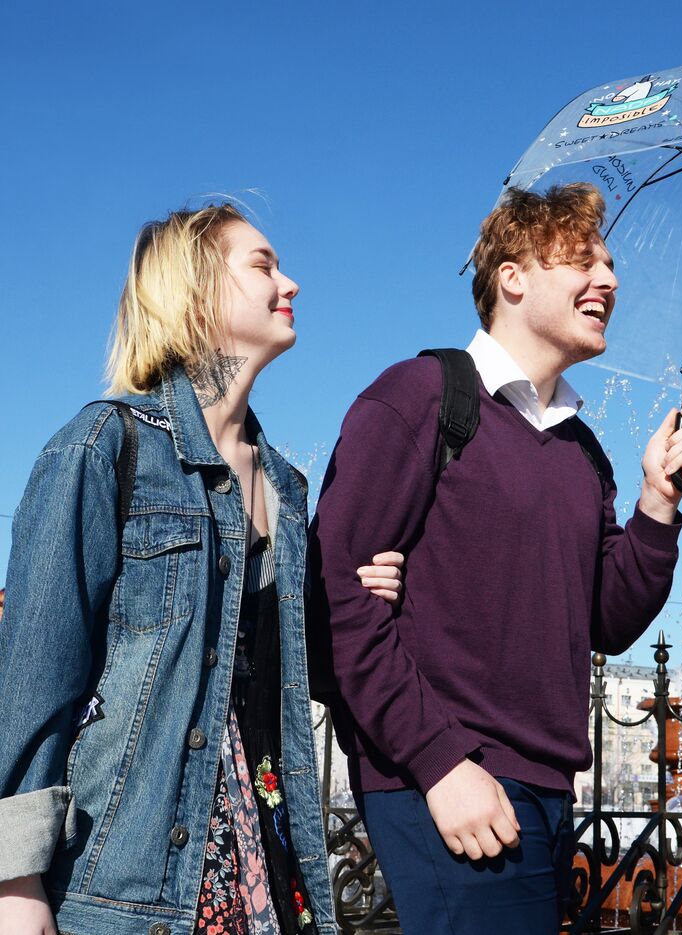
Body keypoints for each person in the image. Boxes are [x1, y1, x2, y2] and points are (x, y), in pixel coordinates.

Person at [307, 182, 682, 933]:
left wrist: (658, 502)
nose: (610, 281)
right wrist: (440, 763)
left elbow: (606, 619)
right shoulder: (422, 396)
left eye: (611, 265)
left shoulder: (583, 451)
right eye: (584, 261)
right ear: (511, 277)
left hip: (546, 789)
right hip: (454, 777)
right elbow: (340, 595)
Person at [0, 204, 406, 935]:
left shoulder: (285, 486)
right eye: (263, 264)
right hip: (130, 879)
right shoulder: (102, 446)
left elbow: (265, 672)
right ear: (194, 291)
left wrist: (340, 601)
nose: (292, 282)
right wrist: (16, 885)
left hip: (264, 867)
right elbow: (34, 680)